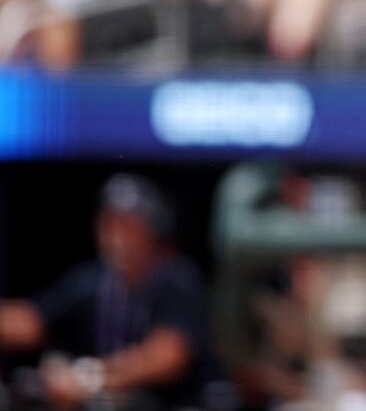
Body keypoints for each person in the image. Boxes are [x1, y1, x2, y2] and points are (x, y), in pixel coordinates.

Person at [0, 174, 213, 411]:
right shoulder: (90, 281)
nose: (115, 237)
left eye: (126, 225)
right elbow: (30, 321)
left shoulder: (177, 279)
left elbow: (168, 357)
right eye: (107, 224)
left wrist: (87, 377)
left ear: (152, 230)